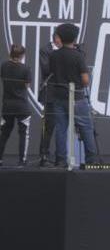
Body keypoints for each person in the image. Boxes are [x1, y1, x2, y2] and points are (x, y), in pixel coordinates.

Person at [49, 23, 98, 166]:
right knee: (86, 127)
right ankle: (91, 159)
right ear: (74, 38)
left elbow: (53, 74)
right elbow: (85, 80)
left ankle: (61, 160)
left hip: (59, 97)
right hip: (76, 97)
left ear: (60, 38)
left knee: (61, 129)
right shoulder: (78, 56)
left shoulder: (54, 55)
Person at [0, 44, 32, 166]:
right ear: (23, 55)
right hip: (21, 105)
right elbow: (27, 86)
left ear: (10, 54)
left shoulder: (3, 66)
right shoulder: (26, 68)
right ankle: (22, 161)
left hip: (7, 105)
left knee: (4, 133)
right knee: (24, 133)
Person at [37, 32, 61, 166]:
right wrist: (59, 57)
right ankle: (44, 155)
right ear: (56, 38)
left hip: (64, 92)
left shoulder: (66, 50)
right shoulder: (46, 50)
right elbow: (46, 69)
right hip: (50, 93)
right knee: (49, 126)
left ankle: (61, 156)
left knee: (63, 127)